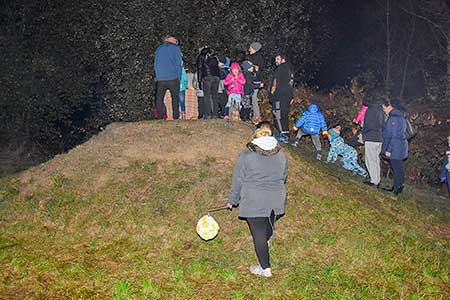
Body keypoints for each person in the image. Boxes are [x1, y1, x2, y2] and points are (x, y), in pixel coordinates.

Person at [227, 121, 288, 277]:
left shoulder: (247, 154)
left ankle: (265, 268)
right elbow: (284, 175)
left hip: (254, 200)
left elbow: (238, 179)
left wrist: (233, 199)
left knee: (259, 233)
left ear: (256, 134)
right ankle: (266, 239)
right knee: (268, 222)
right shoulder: (281, 154)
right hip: (276, 198)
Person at [381, 99, 408, 195]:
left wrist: (389, 149)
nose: (384, 110)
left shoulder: (394, 118)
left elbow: (394, 135)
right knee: (398, 167)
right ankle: (398, 186)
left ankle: (397, 188)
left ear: (388, 106)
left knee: (397, 168)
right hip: (399, 146)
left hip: (396, 148)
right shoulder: (400, 116)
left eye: (384, 108)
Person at [154, 35, 182, 120]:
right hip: (173, 77)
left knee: (159, 99)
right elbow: (178, 64)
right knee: (175, 99)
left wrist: (158, 76)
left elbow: (155, 64)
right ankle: (176, 117)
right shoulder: (175, 48)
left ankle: (160, 117)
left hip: (161, 79)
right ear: (172, 40)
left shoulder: (158, 49)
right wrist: (179, 77)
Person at [268, 52, 294, 143]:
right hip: (287, 97)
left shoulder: (280, 69)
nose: (276, 61)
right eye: (275, 59)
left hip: (279, 96)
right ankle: (286, 134)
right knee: (284, 115)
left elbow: (275, 83)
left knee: (277, 114)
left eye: (278, 59)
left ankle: (282, 135)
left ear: (283, 59)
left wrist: (271, 96)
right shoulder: (290, 69)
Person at [361, 99, 386, 188]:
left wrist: (363, 132)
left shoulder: (370, 110)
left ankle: (373, 181)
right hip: (379, 138)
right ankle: (377, 179)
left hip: (371, 137)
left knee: (370, 160)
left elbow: (367, 125)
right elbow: (384, 125)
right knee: (376, 160)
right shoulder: (381, 111)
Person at [198, 48, 220, 119]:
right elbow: (218, 68)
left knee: (207, 97)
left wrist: (199, 81)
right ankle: (215, 115)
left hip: (207, 78)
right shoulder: (215, 58)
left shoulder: (201, 57)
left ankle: (208, 115)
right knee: (215, 97)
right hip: (216, 78)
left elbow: (200, 69)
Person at [248, 42, 264, 122]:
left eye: (250, 48)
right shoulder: (255, 57)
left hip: (255, 81)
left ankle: (257, 117)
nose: (249, 49)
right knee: (252, 99)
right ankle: (255, 116)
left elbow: (257, 69)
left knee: (253, 99)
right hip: (255, 81)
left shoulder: (256, 58)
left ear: (254, 49)